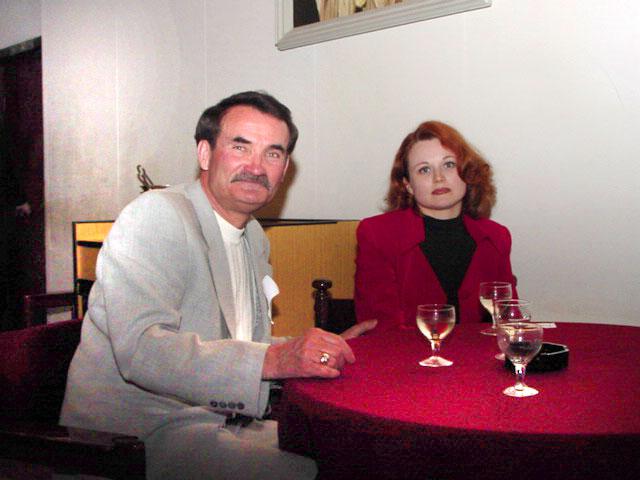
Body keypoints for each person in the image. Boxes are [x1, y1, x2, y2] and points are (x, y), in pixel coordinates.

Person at [60, 91, 376, 479]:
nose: (256, 166)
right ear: (205, 154)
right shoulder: (157, 215)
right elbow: (143, 350)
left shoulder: (253, 236)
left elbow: (236, 341)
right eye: (240, 147)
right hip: (136, 440)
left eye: (273, 153)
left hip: (226, 422)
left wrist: (321, 347)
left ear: (284, 169)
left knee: (356, 455)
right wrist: (277, 358)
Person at [354, 120, 517, 331]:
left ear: (467, 173)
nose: (439, 178)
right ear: (408, 185)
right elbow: (379, 325)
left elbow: (509, 320)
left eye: (448, 165)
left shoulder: (497, 236)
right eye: (424, 170)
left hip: (479, 351)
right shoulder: (377, 234)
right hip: (405, 351)